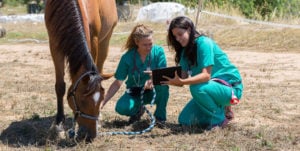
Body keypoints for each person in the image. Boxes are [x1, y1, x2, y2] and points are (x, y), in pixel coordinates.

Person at [163, 16, 243, 130]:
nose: (177, 39)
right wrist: (158, 77)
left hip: (232, 91)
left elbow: (205, 76)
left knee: (196, 87)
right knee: (184, 120)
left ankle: (219, 121)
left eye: (180, 34)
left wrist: (183, 81)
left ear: (189, 29)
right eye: (175, 36)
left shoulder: (204, 43)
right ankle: (220, 110)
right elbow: (182, 79)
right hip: (212, 89)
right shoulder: (184, 51)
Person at [101, 24, 169, 125]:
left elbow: (163, 73)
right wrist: (103, 102)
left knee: (163, 85)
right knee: (121, 108)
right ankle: (137, 110)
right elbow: (118, 82)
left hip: (153, 92)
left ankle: (160, 117)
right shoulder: (127, 57)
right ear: (137, 42)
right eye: (145, 45)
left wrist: (153, 79)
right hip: (135, 92)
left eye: (150, 44)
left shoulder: (158, 52)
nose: (148, 47)